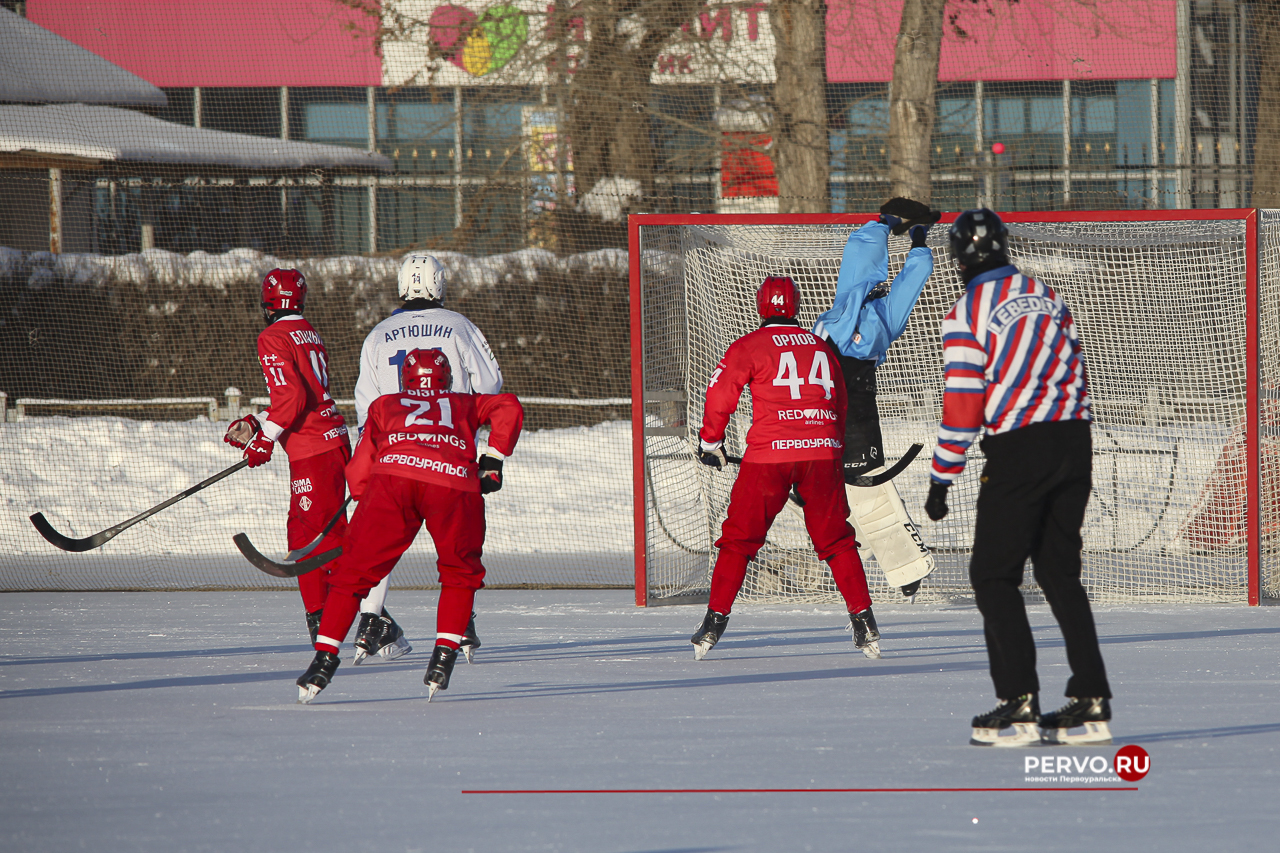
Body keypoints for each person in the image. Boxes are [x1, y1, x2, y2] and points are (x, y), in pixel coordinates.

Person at [924, 208, 1112, 747]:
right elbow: (1075, 364)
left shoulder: (968, 309)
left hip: (1020, 444)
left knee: (992, 574)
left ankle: (1018, 703)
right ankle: (1091, 699)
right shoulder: (1047, 293)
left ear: (959, 257)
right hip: (1074, 438)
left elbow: (964, 400)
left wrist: (943, 477)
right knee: (1058, 571)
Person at [295, 348, 523, 704]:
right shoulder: (464, 402)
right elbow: (508, 405)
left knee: (351, 574)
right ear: (446, 379)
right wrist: (493, 458)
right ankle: (443, 659)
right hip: (452, 485)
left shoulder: (385, 404)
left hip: (393, 482)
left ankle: (323, 661)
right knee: (459, 572)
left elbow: (359, 468)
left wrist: (364, 502)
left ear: (406, 380)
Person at [693, 275, 880, 660]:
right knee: (837, 540)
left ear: (761, 306)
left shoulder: (748, 346)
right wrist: (831, 451)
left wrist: (711, 442)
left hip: (768, 460)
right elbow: (839, 404)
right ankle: (864, 621)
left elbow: (720, 394)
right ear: (795, 306)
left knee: (739, 540)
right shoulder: (820, 347)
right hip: (822, 455)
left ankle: (714, 623)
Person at [347, 253, 503, 663]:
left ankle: (368, 621)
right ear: (439, 284)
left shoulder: (379, 333)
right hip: (450, 450)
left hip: (395, 450)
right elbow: (491, 384)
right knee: (457, 544)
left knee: (377, 538)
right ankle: (461, 623)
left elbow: (367, 405)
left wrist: (371, 452)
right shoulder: (459, 326)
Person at [811, 198, 940, 600]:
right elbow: (882, 261)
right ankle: (873, 552)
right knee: (839, 485)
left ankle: (899, 562)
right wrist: (908, 233)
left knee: (860, 487)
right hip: (834, 390)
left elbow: (910, 272)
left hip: (847, 396)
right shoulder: (860, 306)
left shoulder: (863, 308)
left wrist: (913, 234)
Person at [223, 269, 351, 644]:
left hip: (314, 450)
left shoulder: (272, 336)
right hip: (333, 442)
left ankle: (339, 621)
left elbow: (292, 398)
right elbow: (302, 397)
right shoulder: (309, 332)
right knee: (328, 536)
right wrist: (256, 425)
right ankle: (362, 619)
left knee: (307, 538)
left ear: (267, 305)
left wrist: (266, 438)